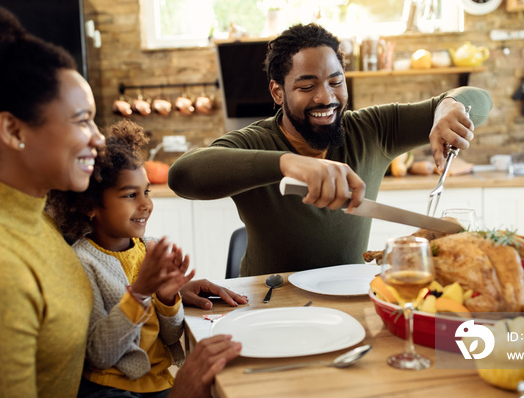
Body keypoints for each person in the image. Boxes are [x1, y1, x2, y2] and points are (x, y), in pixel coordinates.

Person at [0, 1, 241, 398]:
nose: (97, 139)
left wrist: (165, 291)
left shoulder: (33, 220)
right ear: (13, 131)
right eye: (82, 120)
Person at [168, 23, 493, 277]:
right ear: (278, 92)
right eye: (307, 86)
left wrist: (449, 106)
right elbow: (183, 175)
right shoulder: (255, 142)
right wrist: (289, 164)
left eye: (336, 82)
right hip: (269, 303)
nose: (326, 97)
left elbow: (479, 100)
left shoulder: (374, 129)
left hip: (352, 300)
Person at [47, 120, 212, 398]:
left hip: (158, 381)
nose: (146, 204)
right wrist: (139, 293)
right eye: (129, 195)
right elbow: (101, 354)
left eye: (146, 192)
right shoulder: (82, 262)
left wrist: (166, 297)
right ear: (90, 205)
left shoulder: (148, 248)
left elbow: (171, 335)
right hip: (108, 388)